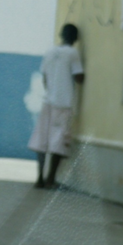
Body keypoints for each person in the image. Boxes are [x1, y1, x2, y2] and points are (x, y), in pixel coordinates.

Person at [28, 23, 84, 189]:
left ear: (61, 35)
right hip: (64, 103)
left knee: (42, 140)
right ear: (75, 38)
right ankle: (50, 179)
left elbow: (45, 77)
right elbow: (79, 78)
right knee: (58, 141)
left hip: (48, 102)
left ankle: (39, 178)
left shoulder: (49, 51)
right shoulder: (72, 53)